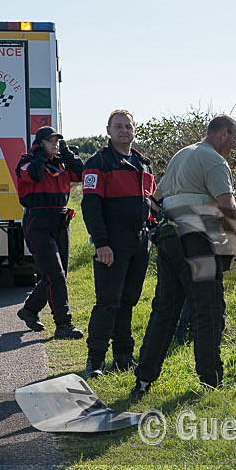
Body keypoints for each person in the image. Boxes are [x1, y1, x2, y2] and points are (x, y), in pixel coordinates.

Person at [131, 114, 236, 398]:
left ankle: (143, 381)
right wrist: (233, 243)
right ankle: (211, 382)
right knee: (208, 310)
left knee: (165, 311)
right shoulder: (215, 161)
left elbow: (155, 200)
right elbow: (227, 205)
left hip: (169, 241)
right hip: (198, 243)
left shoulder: (182, 155)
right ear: (223, 133)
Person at [81, 110, 156, 378]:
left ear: (135, 130)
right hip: (113, 241)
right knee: (108, 302)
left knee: (128, 300)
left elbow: (150, 202)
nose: (124, 130)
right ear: (108, 130)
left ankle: (123, 357)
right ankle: (96, 360)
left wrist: (154, 232)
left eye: (128, 126)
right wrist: (102, 243)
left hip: (140, 239)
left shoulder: (143, 163)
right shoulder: (99, 162)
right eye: (118, 126)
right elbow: (91, 206)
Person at [15, 126, 84, 339]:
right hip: (37, 223)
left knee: (57, 275)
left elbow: (81, 174)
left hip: (60, 222)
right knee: (55, 275)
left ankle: (29, 310)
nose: (55, 144)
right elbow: (35, 175)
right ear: (39, 144)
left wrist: (68, 154)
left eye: (57, 141)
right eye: (50, 140)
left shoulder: (61, 164)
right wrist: (40, 154)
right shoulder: (27, 162)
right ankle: (64, 324)